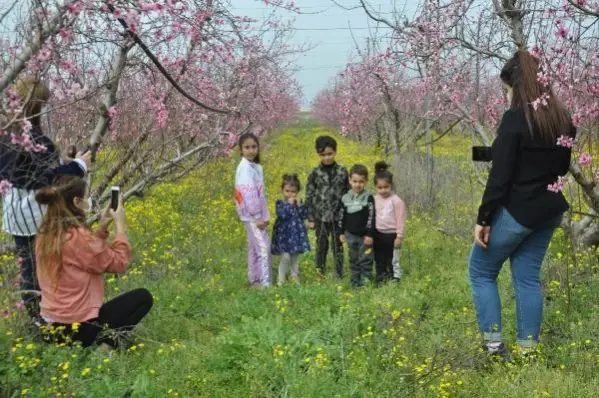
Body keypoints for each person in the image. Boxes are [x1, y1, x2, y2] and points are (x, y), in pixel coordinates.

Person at [468, 50, 576, 358]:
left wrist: (484, 217)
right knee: (527, 278)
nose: (507, 95)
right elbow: (556, 165)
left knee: (480, 272)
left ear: (517, 84)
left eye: (507, 88)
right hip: (548, 210)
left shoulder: (515, 118)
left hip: (517, 212)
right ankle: (528, 351)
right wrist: (488, 152)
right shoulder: (563, 119)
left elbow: (502, 174)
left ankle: (493, 347)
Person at [0, 77, 91, 324]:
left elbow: (32, 168)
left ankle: (34, 318)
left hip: (14, 213)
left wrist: (63, 160)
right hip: (36, 214)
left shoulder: (5, 135)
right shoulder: (38, 140)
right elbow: (54, 177)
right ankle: (45, 318)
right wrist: (80, 165)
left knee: (27, 266)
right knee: (45, 267)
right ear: (38, 106)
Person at [34, 175, 152, 349]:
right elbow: (119, 262)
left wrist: (102, 227)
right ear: (76, 201)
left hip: (50, 328)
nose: (88, 202)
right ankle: (106, 346)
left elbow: (86, 257)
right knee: (143, 297)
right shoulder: (78, 237)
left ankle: (99, 344)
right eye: (86, 198)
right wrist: (120, 225)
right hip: (75, 329)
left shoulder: (45, 235)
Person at [305, 136, 349, 278]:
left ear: (335, 152)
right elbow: (309, 196)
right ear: (319, 154)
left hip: (338, 216)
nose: (327, 157)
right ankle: (320, 272)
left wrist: (348, 215)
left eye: (329, 154)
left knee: (338, 246)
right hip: (320, 217)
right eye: (323, 155)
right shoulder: (315, 173)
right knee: (321, 245)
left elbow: (348, 193)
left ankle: (339, 273)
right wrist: (311, 217)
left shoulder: (342, 171)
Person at [235, 133, 272, 288]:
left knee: (254, 247)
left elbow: (259, 194)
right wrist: (258, 216)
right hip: (252, 216)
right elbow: (249, 195)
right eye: (247, 147)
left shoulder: (252, 167)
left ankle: (254, 279)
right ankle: (264, 283)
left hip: (251, 215)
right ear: (241, 150)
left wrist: (265, 214)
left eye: (254, 147)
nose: (251, 150)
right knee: (264, 248)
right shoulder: (245, 169)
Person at [339, 164, 376, 287]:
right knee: (353, 259)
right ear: (349, 180)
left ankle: (366, 282)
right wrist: (341, 232)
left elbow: (372, 216)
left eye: (361, 181)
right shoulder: (345, 197)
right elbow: (341, 216)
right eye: (354, 181)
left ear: (366, 181)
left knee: (366, 259)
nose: (357, 184)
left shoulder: (369, 197)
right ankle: (355, 282)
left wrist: (370, 234)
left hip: (365, 236)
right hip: (350, 234)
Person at [271, 174, 310, 285]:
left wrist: (300, 205)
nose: (290, 194)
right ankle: (281, 279)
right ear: (282, 190)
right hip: (284, 236)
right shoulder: (280, 203)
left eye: (293, 192)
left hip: (296, 235)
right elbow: (282, 215)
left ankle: (294, 277)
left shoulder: (299, 202)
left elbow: (304, 215)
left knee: (295, 257)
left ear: (297, 191)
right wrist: (289, 204)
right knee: (285, 256)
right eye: (287, 191)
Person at [373, 161, 407, 284]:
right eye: (379, 188)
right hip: (378, 234)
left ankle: (395, 277)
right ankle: (381, 276)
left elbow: (400, 219)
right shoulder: (373, 199)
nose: (383, 191)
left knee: (393, 257)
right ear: (375, 187)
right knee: (379, 257)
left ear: (391, 185)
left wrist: (399, 236)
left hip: (392, 234)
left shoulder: (396, 201)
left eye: (386, 187)